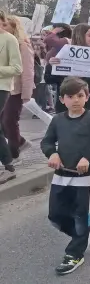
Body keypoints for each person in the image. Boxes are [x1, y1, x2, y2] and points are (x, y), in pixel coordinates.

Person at [41, 77, 90, 275]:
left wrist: (88, 157)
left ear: (87, 97)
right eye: (70, 96)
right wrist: (52, 153)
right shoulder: (57, 120)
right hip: (61, 175)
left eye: (80, 96)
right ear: (62, 99)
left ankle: (74, 253)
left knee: (80, 216)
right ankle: (82, 233)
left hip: (85, 178)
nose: (75, 100)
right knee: (55, 215)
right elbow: (46, 143)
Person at [45, 24, 90, 115]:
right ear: (80, 36)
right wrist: (51, 66)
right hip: (66, 108)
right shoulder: (65, 53)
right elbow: (49, 79)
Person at [0, 15, 35, 166]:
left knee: (9, 121)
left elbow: (27, 71)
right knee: (4, 123)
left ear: (14, 28)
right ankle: (19, 142)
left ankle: (14, 154)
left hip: (15, 90)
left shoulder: (22, 45)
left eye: (5, 25)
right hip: (6, 86)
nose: (2, 28)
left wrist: (26, 93)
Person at [0, 10, 23, 184]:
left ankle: (9, 167)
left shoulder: (9, 39)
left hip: (2, 87)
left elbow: (17, 68)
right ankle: (8, 165)